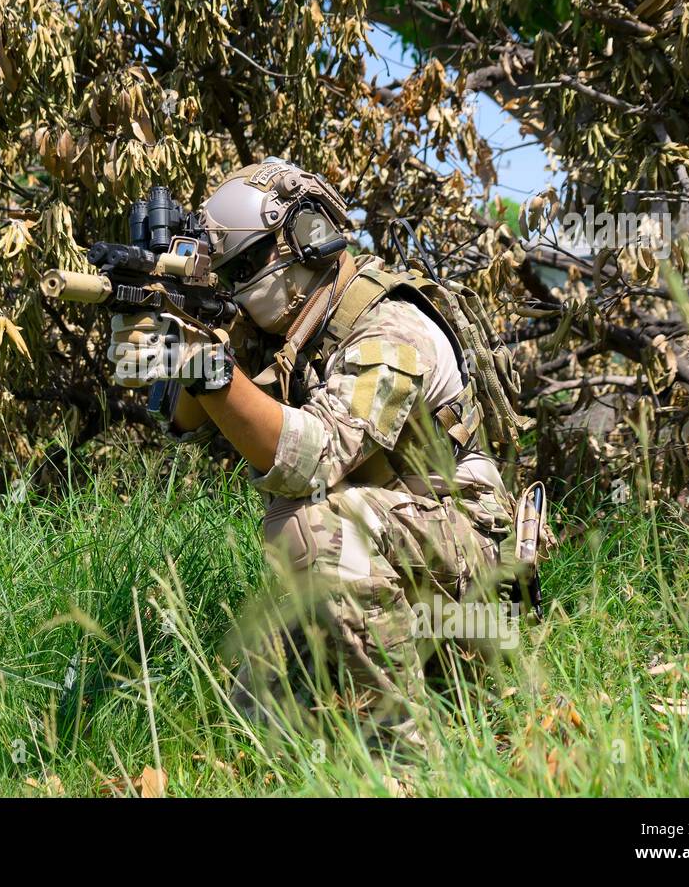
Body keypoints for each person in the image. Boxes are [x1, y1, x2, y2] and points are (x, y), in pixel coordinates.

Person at [106, 159, 517, 754]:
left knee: (311, 528)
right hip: (395, 552)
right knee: (249, 708)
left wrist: (204, 364)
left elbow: (315, 460)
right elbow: (180, 421)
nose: (241, 286)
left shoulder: (389, 326)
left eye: (247, 265)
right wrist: (172, 330)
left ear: (305, 235)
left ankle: (413, 755)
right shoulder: (295, 324)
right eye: (228, 274)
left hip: (470, 556)